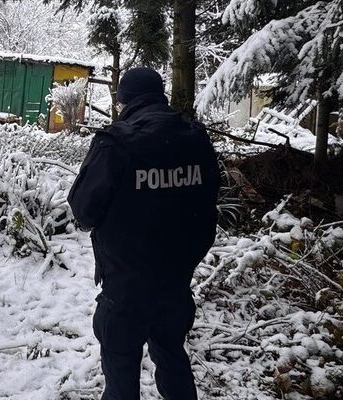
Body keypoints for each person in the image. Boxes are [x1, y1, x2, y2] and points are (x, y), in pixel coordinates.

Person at [68, 67, 219, 400]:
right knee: (172, 357)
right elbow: (210, 207)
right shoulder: (195, 138)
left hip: (126, 289)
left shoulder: (117, 142)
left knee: (121, 374)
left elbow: (83, 209)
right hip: (176, 284)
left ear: (124, 100)